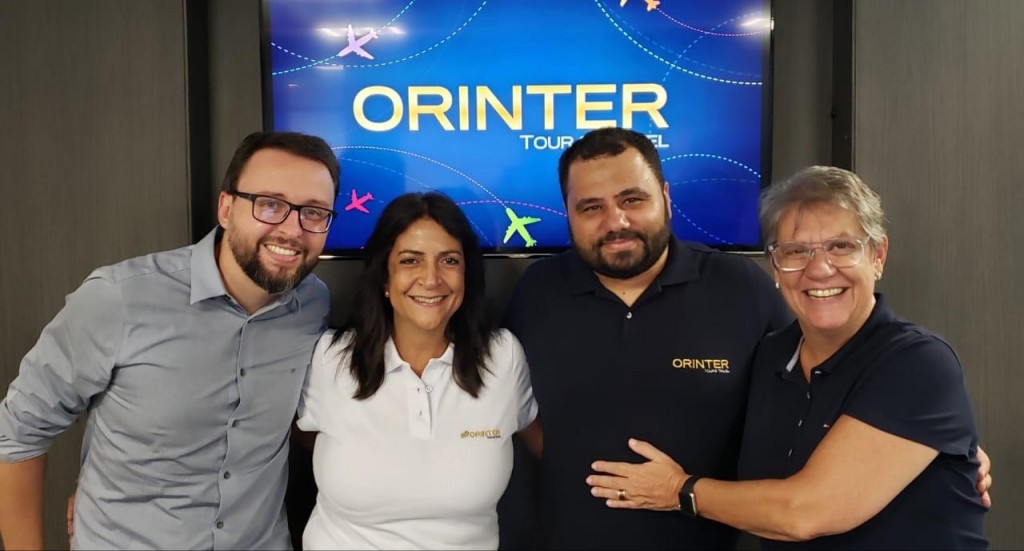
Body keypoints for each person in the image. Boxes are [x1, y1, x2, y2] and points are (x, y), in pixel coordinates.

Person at [586, 166, 989, 548]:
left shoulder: (917, 363)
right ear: (776, 265)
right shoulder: (772, 356)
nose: (820, 269)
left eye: (841, 246)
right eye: (796, 251)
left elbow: (806, 512)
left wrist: (678, 490)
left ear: (878, 256)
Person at [0, 131, 339, 550]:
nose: (292, 229)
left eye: (314, 212)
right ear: (227, 208)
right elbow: (19, 432)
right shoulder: (120, 298)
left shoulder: (312, 304)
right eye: (270, 205)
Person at [502, 127, 793, 549]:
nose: (615, 221)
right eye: (591, 207)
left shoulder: (742, 288)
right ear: (568, 212)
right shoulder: (538, 291)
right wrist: (567, 458)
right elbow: (515, 401)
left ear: (666, 197)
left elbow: (796, 414)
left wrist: (685, 490)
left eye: (632, 200)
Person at [296, 192, 541, 550]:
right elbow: (288, 434)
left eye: (449, 261)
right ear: (384, 277)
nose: (431, 279)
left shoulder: (503, 358)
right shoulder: (330, 359)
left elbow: (550, 445)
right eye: (410, 261)